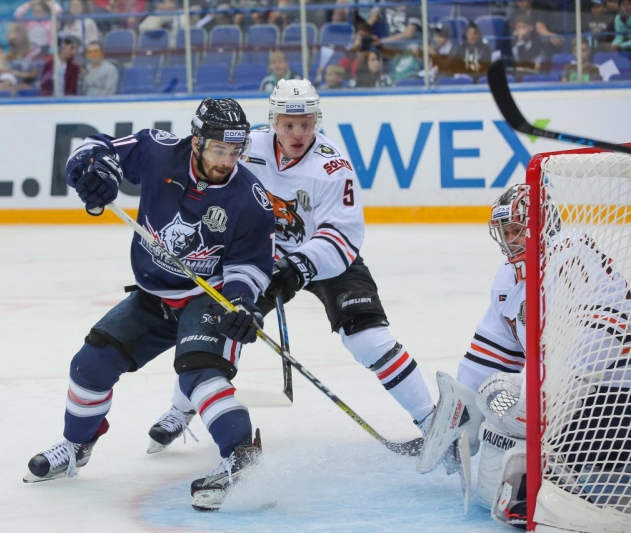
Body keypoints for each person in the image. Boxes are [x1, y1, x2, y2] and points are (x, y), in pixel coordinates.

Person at [146, 79, 436, 462]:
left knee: (367, 337)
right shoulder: (247, 148)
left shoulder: (333, 167)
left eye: (307, 123)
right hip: (258, 256)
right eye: (288, 124)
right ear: (273, 121)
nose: (298, 133)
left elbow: (344, 235)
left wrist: (300, 265)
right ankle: (181, 409)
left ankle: (432, 422)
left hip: (323, 257)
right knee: (222, 323)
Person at [24, 97, 276, 513]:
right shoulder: (159, 151)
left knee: (199, 374)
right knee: (90, 365)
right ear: (196, 141)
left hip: (206, 297)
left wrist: (241, 304)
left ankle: (241, 459)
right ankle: (75, 446)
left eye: (235, 152)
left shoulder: (249, 198)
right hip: (154, 295)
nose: (227, 161)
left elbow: (249, 266)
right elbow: (90, 148)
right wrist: (92, 173)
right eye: (219, 150)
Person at [417, 184, 631, 529]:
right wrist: (458, 423)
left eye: (518, 229)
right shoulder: (509, 277)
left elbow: (600, 336)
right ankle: (528, 485)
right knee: (493, 398)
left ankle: (537, 488)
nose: (510, 239)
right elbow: (485, 358)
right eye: (505, 231)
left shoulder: (569, 252)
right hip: (577, 409)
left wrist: (542, 402)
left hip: (615, 402)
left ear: (542, 225)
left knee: (513, 401)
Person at [0, 22, 43, 95]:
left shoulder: (34, 52)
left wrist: (13, 72)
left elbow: (33, 75)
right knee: (1, 86)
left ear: (24, 35)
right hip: (13, 85)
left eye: (17, 33)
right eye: (11, 33)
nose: (14, 36)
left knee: (13, 88)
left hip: (33, 87)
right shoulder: (7, 56)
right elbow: (4, 74)